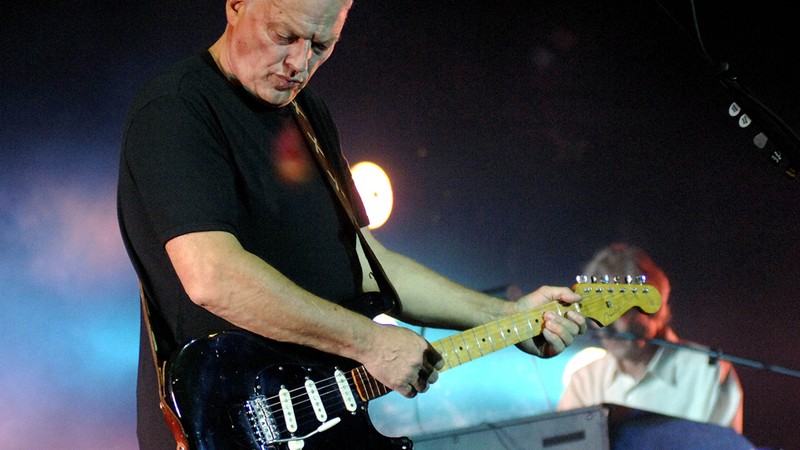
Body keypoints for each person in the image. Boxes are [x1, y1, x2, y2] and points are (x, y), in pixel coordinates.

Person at [117, 0, 587, 448]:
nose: (298, 63)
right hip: (222, 427)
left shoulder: (308, 116)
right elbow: (213, 277)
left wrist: (509, 318)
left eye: (322, 46)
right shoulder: (177, 107)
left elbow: (368, 265)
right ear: (236, 6)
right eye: (285, 35)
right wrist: (371, 343)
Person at [557, 243, 744, 433]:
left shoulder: (707, 373)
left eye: (616, 309)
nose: (606, 326)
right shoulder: (584, 382)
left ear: (655, 307)